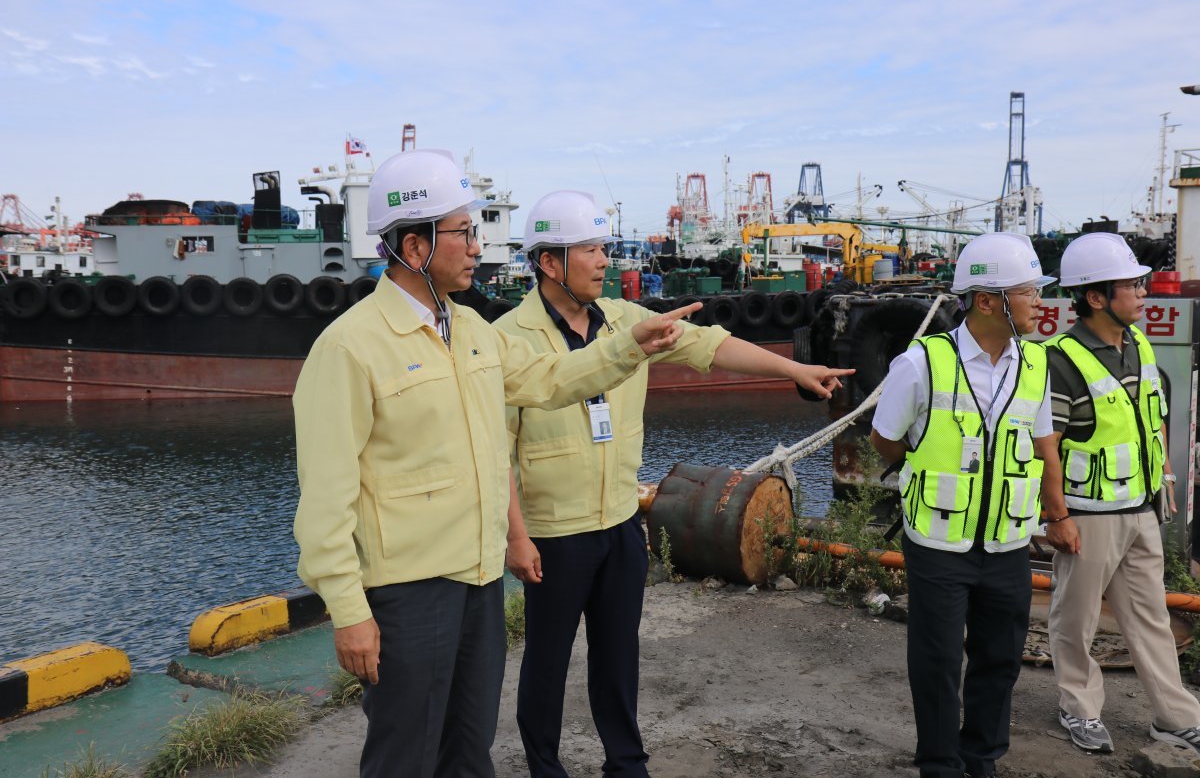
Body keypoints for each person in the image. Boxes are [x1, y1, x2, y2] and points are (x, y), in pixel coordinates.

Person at [291, 151, 699, 778]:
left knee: (469, 753)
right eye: (463, 232)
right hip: (407, 591)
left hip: (478, 583)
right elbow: (325, 500)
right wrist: (350, 612)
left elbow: (550, 378)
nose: (478, 247)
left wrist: (626, 347)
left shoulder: (475, 329)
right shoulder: (349, 347)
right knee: (406, 756)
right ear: (414, 245)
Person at [497, 189, 854, 778]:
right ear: (549, 262)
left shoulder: (629, 321)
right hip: (554, 533)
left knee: (618, 657)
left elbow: (712, 347)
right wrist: (517, 537)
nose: (604, 260)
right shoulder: (509, 337)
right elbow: (499, 451)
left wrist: (795, 368)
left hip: (619, 525)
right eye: (589, 249)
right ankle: (545, 766)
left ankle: (626, 763)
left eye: (602, 247)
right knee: (546, 662)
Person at [870, 231, 1066, 778]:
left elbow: (1039, 439)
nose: (1039, 302)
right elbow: (885, 438)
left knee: (999, 659)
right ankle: (939, 763)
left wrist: (1056, 512)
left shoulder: (1035, 364)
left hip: (1007, 542)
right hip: (938, 541)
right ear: (987, 300)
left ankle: (981, 759)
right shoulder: (921, 363)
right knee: (935, 662)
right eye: (1029, 291)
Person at [1043, 232, 1200, 755]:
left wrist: (1165, 481)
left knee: (1151, 614)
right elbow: (1047, 446)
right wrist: (1057, 515)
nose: (1143, 293)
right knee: (1076, 616)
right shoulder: (1061, 359)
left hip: (1141, 509)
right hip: (1088, 516)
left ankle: (1174, 716)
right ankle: (1079, 710)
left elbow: (1146, 424)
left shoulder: (1139, 343)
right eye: (1132, 284)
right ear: (1094, 296)